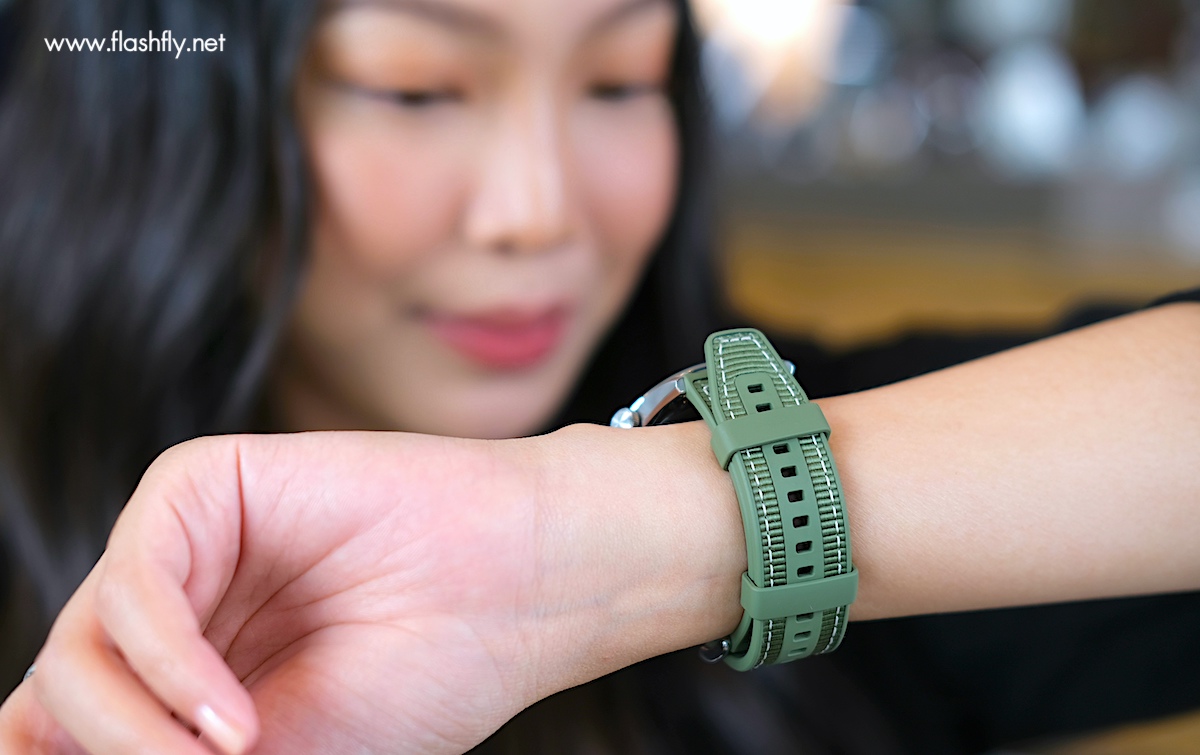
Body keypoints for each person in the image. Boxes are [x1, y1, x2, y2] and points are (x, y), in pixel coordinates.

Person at [0, 0, 1198, 752]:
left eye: (620, 79)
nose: (539, 211)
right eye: (416, 87)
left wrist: (612, 536)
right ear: (161, 110)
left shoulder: (857, 459)